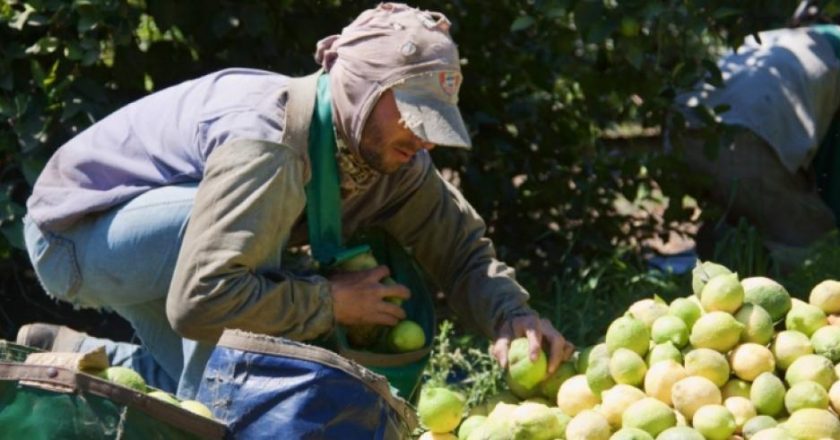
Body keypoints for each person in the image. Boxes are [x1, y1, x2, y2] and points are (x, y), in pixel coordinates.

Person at [18, 3, 574, 399]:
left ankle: (74, 357)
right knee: (227, 360)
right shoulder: (270, 140)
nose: (425, 138)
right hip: (75, 235)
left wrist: (513, 318)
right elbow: (202, 300)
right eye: (412, 115)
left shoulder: (386, 152)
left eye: (435, 124)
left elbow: (462, 253)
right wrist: (329, 302)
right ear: (361, 91)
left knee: (196, 392)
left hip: (170, 247)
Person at [674, 12, 840, 265]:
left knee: (735, 219)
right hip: (744, 134)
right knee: (819, 245)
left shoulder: (800, 39)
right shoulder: (828, 51)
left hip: (682, 122)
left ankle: (722, 273)